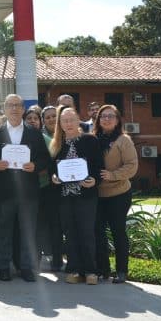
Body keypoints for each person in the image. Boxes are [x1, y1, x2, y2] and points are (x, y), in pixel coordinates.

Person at [0, 94, 50, 282]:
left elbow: (45, 158)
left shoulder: (34, 133)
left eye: (17, 105)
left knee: (28, 230)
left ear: (22, 109)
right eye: (10, 105)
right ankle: (4, 266)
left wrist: (35, 166)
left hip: (28, 191)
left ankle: (26, 267)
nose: (13, 109)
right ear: (4, 109)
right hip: (4, 192)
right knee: (4, 230)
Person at [49, 105, 104, 285]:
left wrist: (95, 180)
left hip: (86, 195)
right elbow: (52, 170)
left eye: (71, 119)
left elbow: (98, 166)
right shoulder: (57, 144)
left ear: (78, 120)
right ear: (61, 124)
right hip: (64, 196)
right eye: (64, 120)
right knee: (70, 233)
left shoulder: (90, 140)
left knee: (87, 232)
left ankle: (90, 271)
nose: (68, 123)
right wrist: (54, 178)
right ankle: (73, 269)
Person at [93, 104, 138, 283]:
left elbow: (132, 165)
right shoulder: (92, 139)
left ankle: (121, 271)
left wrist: (113, 175)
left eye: (111, 116)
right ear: (98, 120)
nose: (106, 119)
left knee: (118, 232)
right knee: (98, 233)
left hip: (119, 194)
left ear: (117, 119)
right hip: (97, 194)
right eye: (103, 116)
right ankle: (103, 269)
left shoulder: (123, 140)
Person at [37, 105, 63, 271]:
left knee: (57, 225)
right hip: (44, 186)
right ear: (43, 121)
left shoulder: (67, 135)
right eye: (47, 117)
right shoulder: (40, 138)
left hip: (63, 188)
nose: (51, 119)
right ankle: (37, 258)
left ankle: (58, 259)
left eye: (54, 116)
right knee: (40, 224)